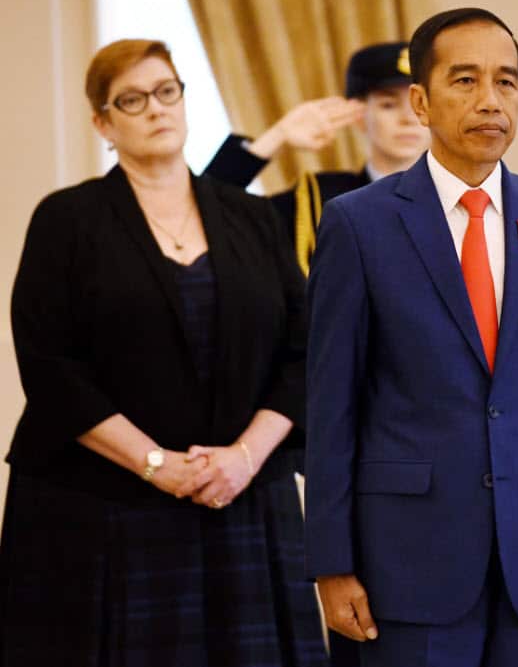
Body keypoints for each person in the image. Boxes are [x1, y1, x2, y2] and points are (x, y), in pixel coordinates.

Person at [0, 39, 328, 666]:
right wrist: (158, 465)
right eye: (132, 99)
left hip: (242, 498)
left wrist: (241, 458)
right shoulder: (67, 220)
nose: (156, 108)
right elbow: (50, 369)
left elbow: (302, 353)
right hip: (103, 505)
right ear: (103, 122)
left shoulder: (254, 218)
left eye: (167, 91)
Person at [305, 8, 518, 667]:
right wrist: (331, 563)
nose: (490, 101)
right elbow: (331, 407)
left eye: (506, 82)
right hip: (404, 559)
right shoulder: (359, 225)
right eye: (465, 80)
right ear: (421, 100)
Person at [205, 41, 430, 273]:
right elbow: (208, 213)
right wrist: (277, 136)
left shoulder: (461, 197)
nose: (408, 118)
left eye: (419, 103)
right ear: (359, 115)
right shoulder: (318, 201)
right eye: (388, 105)